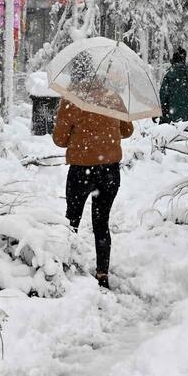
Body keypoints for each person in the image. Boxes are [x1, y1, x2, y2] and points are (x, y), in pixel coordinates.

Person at [52, 54, 133, 290]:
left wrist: (80, 136)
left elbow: (59, 140)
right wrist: (106, 132)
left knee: (72, 220)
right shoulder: (112, 96)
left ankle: (66, 266)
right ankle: (102, 273)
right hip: (109, 170)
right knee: (101, 222)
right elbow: (127, 130)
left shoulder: (71, 99)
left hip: (81, 170)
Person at [159, 47, 188, 124]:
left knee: (172, 129)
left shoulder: (169, 74)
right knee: (187, 129)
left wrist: (162, 110)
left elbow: (163, 95)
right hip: (187, 111)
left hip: (172, 111)